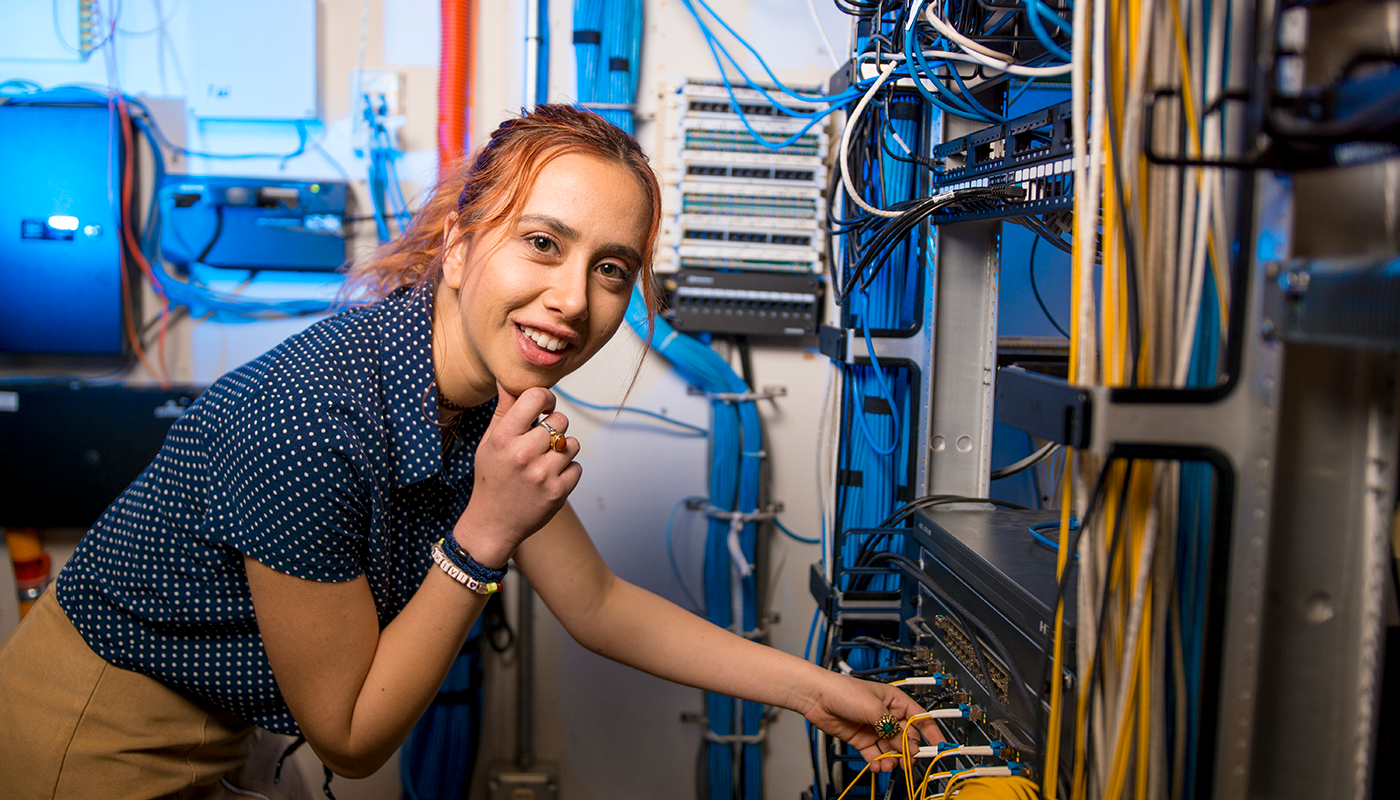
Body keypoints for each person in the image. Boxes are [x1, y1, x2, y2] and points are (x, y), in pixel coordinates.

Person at [0, 105, 939, 798]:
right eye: (542, 242)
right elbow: (352, 738)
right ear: (457, 244)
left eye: (610, 269)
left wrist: (817, 690)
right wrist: (485, 529)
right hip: (91, 732)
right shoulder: (310, 416)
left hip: (224, 727)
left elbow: (598, 604)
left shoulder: (490, 399)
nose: (574, 298)